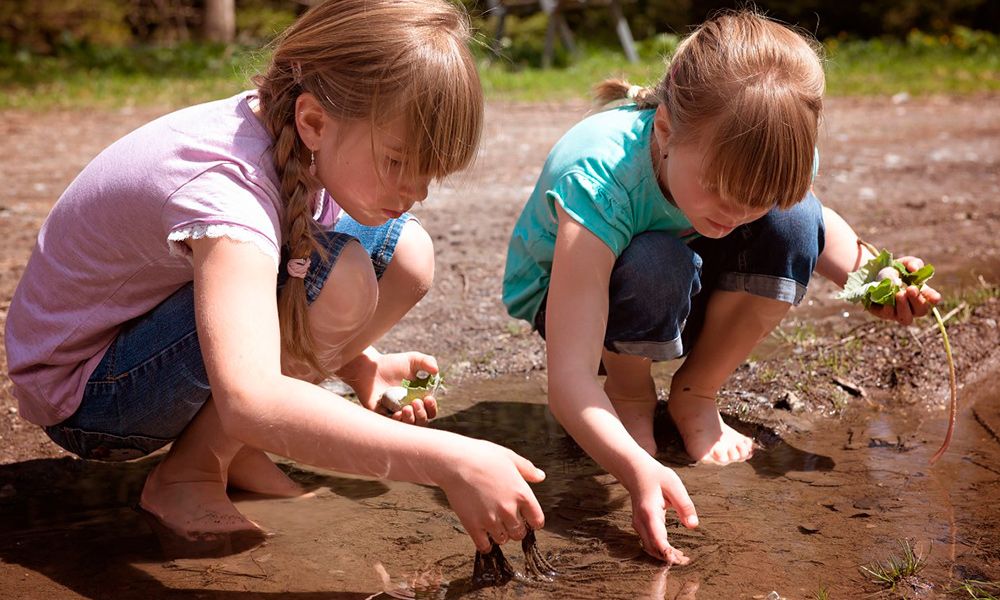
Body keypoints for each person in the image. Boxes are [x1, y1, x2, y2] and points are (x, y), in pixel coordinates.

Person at [4, 0, 544, 556]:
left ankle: (228, 449)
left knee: (407, 251)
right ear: (313, 121)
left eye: (431, 171)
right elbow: (250, 395)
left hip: (144, 344)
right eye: (398, 162)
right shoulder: (228, 191)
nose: (417, 190)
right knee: (341, 275)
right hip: (91, 396)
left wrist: (364, 364)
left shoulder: (301, 141)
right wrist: (448, 460)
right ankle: (189, 475)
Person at [502, 10, 940, 564]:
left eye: (753, 198)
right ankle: (630, 395)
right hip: (572, 296)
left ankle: (696, 392)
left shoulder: (767, 160)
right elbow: (566, 381)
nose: (735, 214)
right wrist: (635, 470)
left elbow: (819, 231)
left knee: (796, 218)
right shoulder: (601, 176)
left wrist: (876, 279)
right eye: (719, 190)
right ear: (665, 131)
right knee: (656, 260)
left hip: (680, 269)